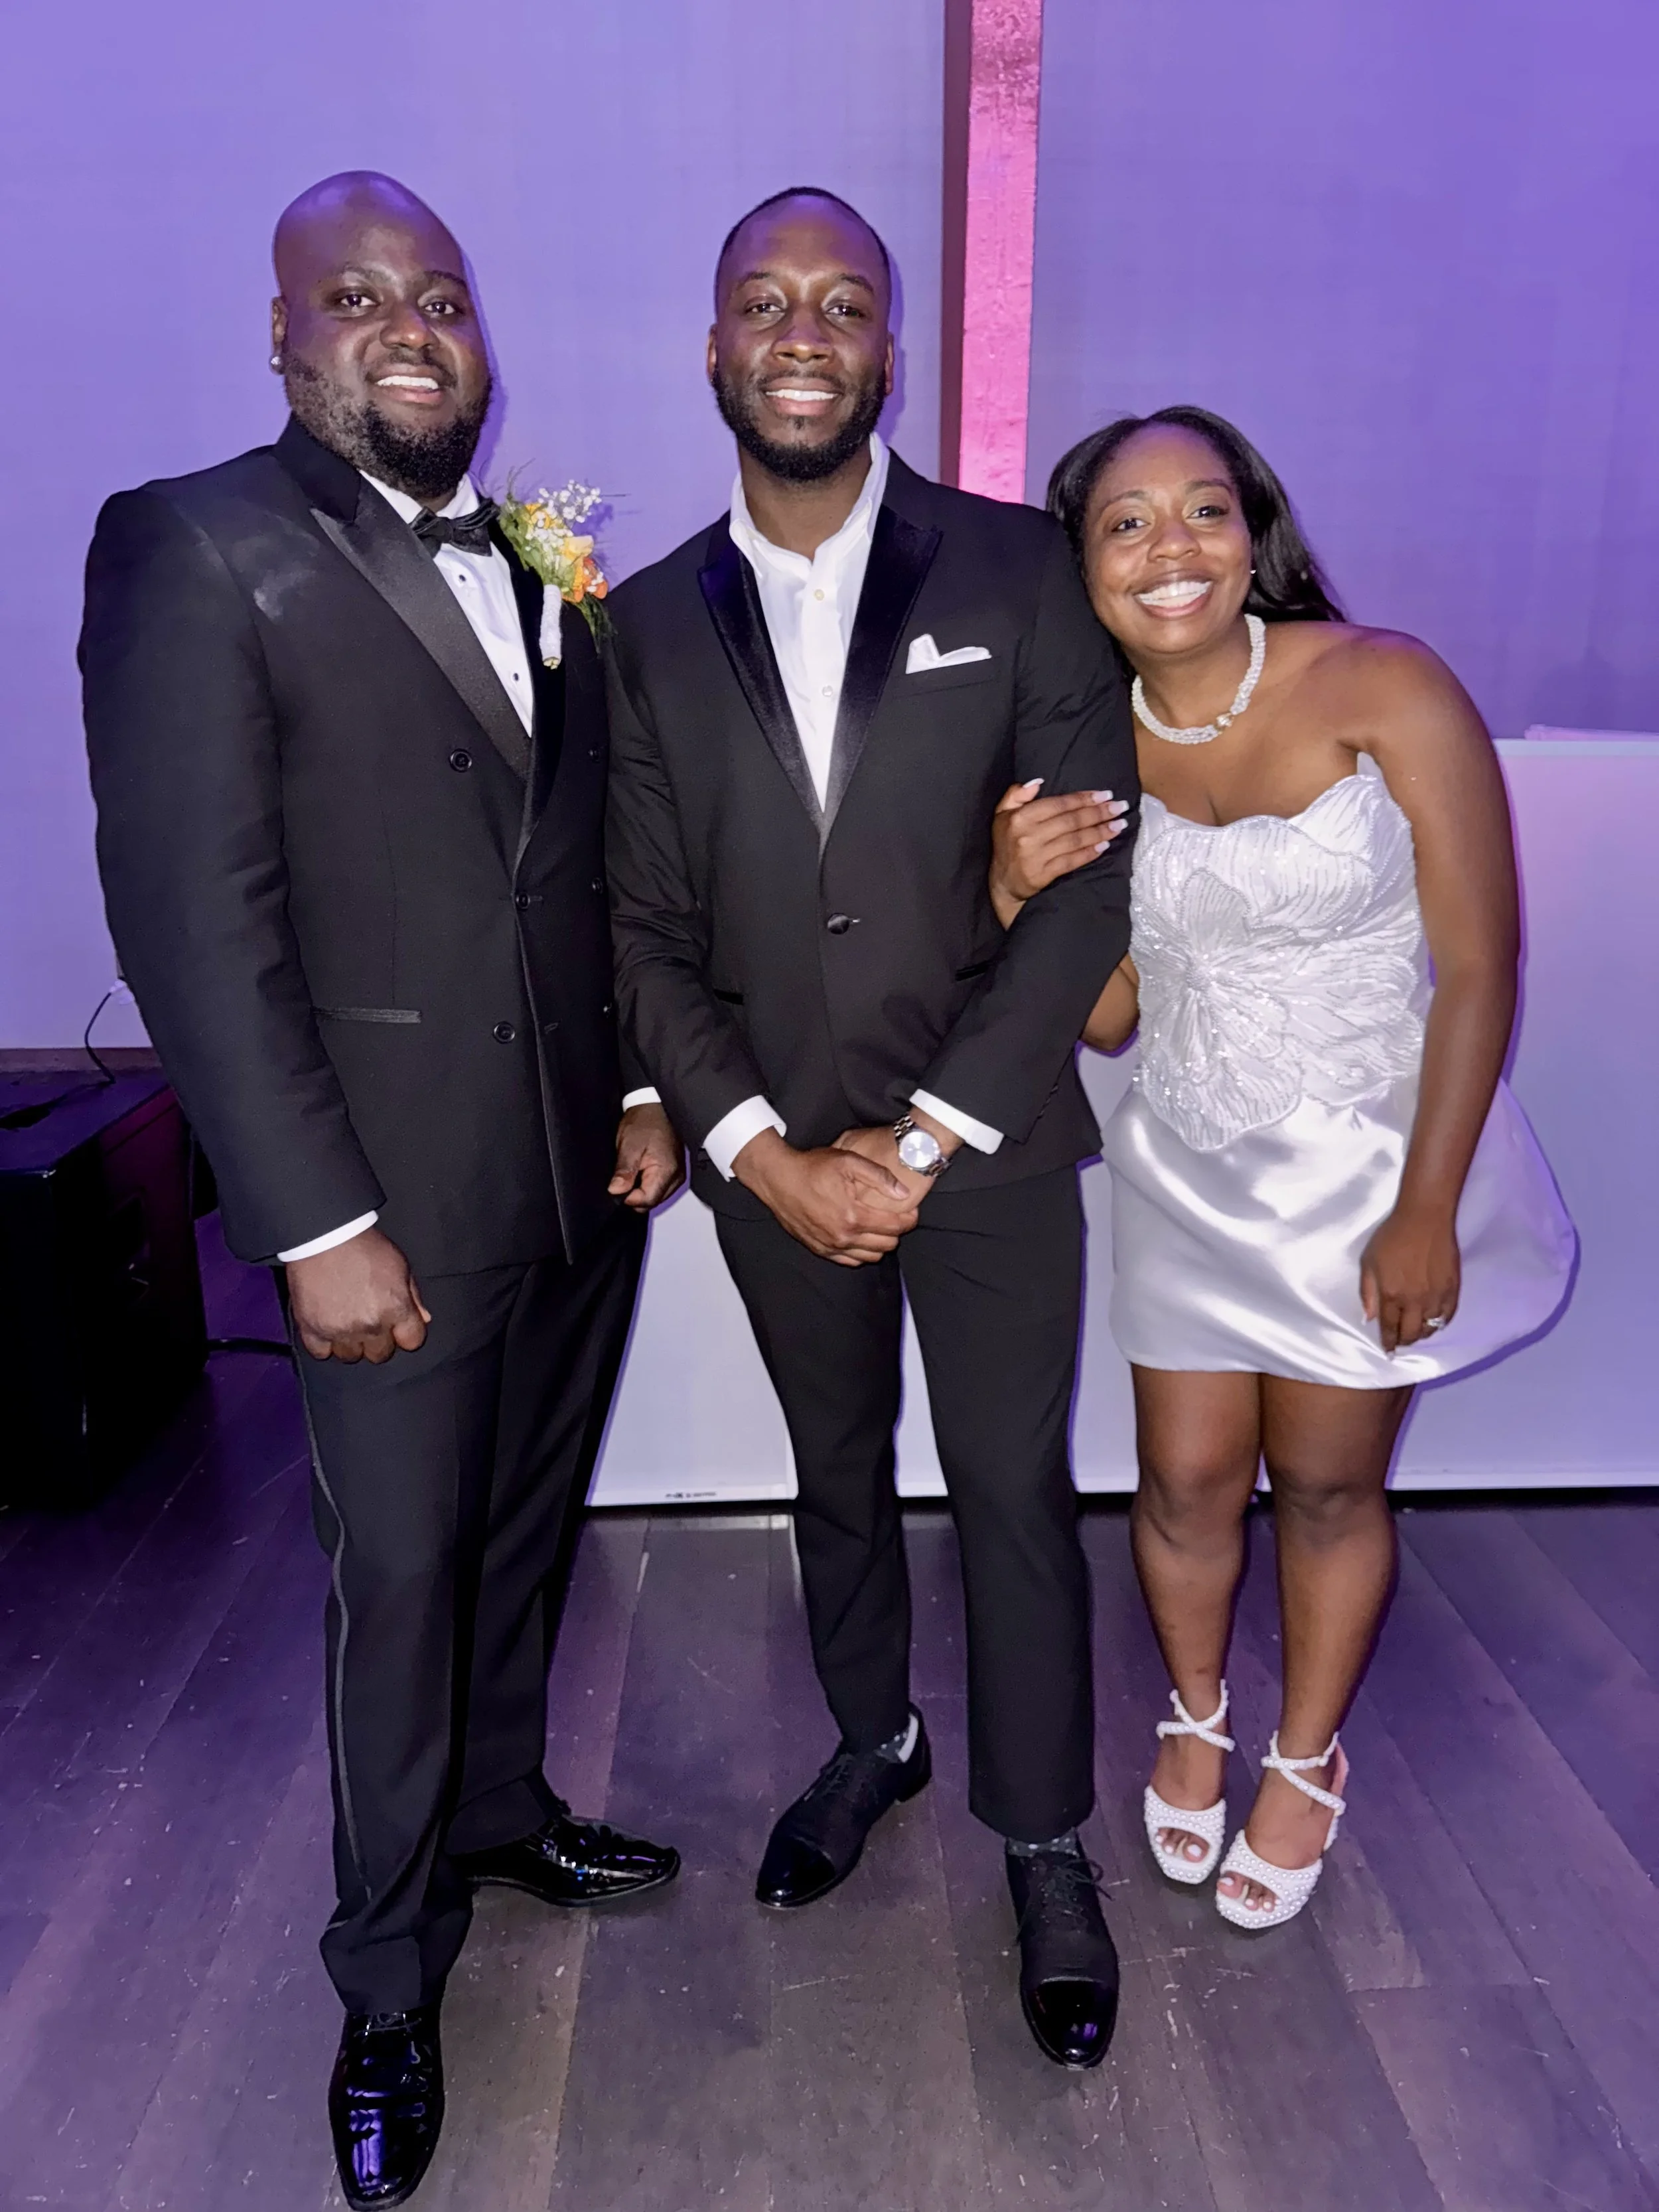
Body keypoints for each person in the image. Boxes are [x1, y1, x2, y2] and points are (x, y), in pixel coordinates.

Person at [81, 173, 684, 2207]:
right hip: (383, 1214)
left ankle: (500, 1811)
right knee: (397, 1582)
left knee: (519, 1539)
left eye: (437, 294)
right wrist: (314, 1225)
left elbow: (572, 865)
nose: (406, 323)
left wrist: (623, 1084)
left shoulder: (537, 560)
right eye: (353, 295)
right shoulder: (193, 542)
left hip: (565, 1178)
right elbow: (195, 923)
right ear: (280, 335)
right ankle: (386, 1974)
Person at [605, 188, 1137, 2067]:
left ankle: (1046, 1835)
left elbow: (1081, 894)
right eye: (764, 299)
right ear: (715, 346)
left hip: (981, 1140)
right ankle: (871, 1736)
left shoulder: (1017, 572)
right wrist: (758, 1144)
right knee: (833, 1465)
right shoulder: (644, 624)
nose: (804, 331)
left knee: (1011, 1487)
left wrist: (912, 1142)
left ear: (890, 347)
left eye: (842, 302)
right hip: (771, 1150)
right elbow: (642, 926)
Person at [991, 405, 1575, 1930]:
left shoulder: (1380, 680)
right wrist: (1011, 895)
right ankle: (1194, 1715)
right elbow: (1113, 1018)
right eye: (1125, 523)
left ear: (1254, 532)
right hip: (1184, 1160)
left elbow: (1476, 962)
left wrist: (1426, 1207)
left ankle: (1303, 1755)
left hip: (1371, 1172)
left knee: (1322, 1480)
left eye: (1202, 510)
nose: (1169, 548)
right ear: (1081, 566)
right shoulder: (1084, 742)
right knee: (1183, 1479)